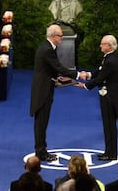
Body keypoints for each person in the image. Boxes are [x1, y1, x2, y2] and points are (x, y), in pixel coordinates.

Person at [29, 24, 86, 161]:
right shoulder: (47, 49)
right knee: (41, 122)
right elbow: (59, 67)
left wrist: (55, 77)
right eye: (60, 36)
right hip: (42, 91)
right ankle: (41, 152)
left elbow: (50, 68)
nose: (62, 38)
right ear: (53, 36)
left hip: (45, 87)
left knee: (42, 122)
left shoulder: (48, 47)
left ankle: (41, 149)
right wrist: (78, 74)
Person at [76, 35, 118, 160]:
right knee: (108, 125)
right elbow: (100, 71)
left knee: (109, 126)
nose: (100, 46)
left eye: (102, 44)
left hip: (109, 96)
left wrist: (85, 86)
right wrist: (88, 74)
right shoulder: (109, 58)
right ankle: (109, 151)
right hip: (108, 95)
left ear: (109, 46)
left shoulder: (111, 60)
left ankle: (111, 153)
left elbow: (101, 77)